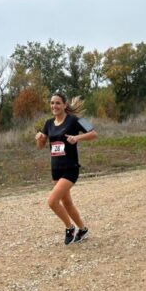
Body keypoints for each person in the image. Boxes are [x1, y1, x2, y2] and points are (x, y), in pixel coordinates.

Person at [35, 92, 98, 245]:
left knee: (52, 201)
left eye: (57, 103)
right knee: (67, 202)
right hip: (56, 169)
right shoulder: (48, 123)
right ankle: (83, 229)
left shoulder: (74, 120)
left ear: (64, 105)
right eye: (52, 103)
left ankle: (69, 228)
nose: (54, 106)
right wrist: (39, 139)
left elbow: (94, 133)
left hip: (70, 168)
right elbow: (41, 146)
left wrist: (77, 138)